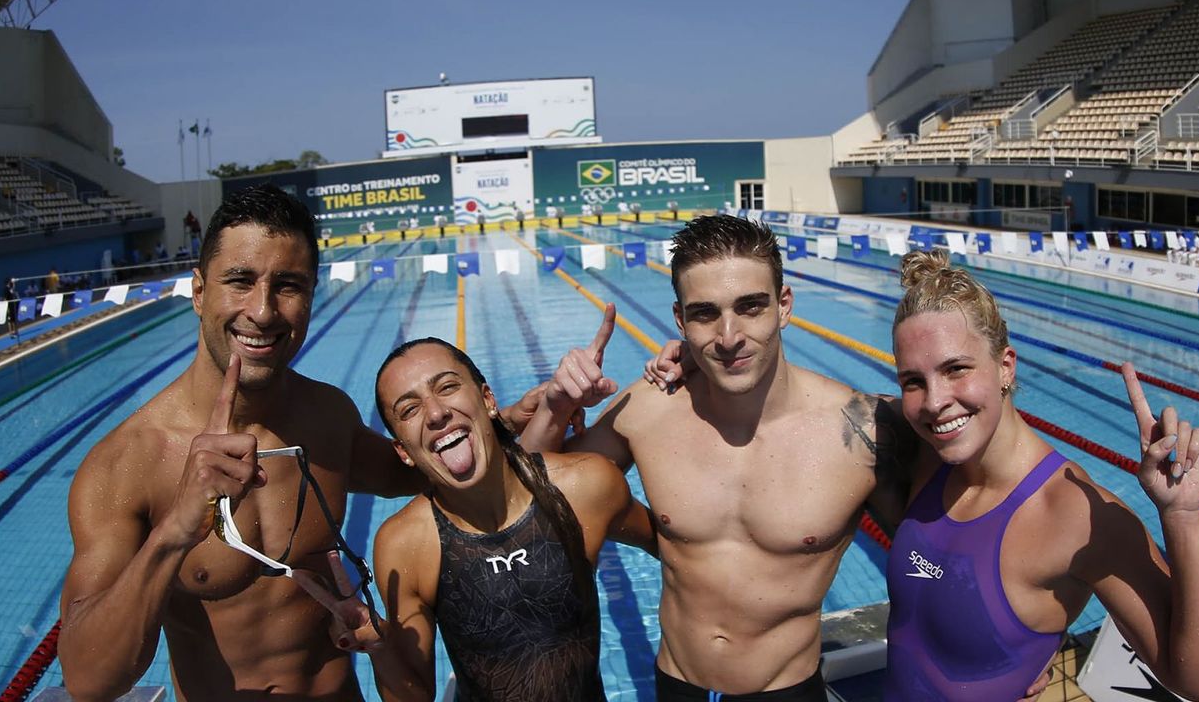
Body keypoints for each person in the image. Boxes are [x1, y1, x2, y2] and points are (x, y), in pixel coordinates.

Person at [59, 184, 547, 701]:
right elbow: (89, 681)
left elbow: (411, 471)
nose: (264, 311)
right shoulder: (126, 464)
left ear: (311, 297)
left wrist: (507, 422)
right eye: (240, 282)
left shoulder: (326, 416)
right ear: (199, 291)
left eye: (288, 286)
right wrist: (174, 533)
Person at [522, 215, 927, 701]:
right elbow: (528, 497)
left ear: (784, 305)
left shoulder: (863, 430)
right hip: (678, 686)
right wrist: (555, 405)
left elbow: (952, 547)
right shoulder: (648, 410)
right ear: (680, 320)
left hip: (787, 690)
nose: (729, 335)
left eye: (750, 306)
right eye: (705, 313)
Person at [883, 250, 1199, 700]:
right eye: (913, 381)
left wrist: (1182, 515)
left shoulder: (1075, 514)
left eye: (956, 369)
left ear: (1005, 366)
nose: (933, 402)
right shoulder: (924, 451)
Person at [368, 336, 657, 702]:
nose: (436, 413)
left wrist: (681, 374)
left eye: (448, 387)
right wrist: (378, 647)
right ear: (403, 451)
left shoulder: (584, 486)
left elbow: (677, 552)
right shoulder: (405, 544)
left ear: (488, 400)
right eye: (409, 410)